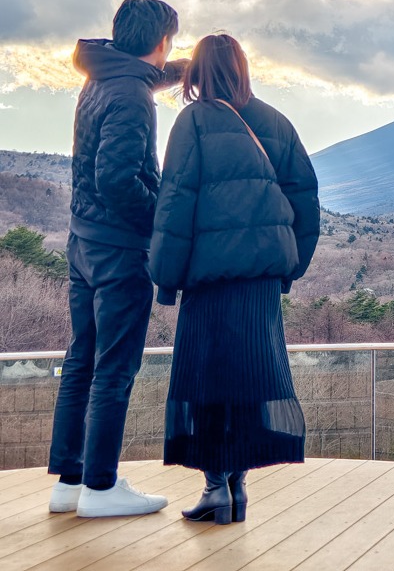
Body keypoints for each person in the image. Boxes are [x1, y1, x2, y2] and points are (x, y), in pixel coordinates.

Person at [151, 33, 320, 524]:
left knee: (206, 379)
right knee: (249, 378)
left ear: (197, 72)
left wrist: (165, 276)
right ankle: (238, 487)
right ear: (243, 68)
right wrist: (289, 267)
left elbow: (175, 202)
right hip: (260, 283)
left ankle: (214, 489)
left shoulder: (195, 121)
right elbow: (306, 202)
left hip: (208, 281)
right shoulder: (277, 123)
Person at [48, 0, 184, 517]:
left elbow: (147, 74)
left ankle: (70, 482)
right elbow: (118, 178)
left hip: (82, 242)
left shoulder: (102, 76)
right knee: (113, 369)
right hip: (118, 250)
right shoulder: (132, 95)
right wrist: (161, 223)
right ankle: (101, 488)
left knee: (82, 358)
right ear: (161, 40)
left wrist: (187, 69)